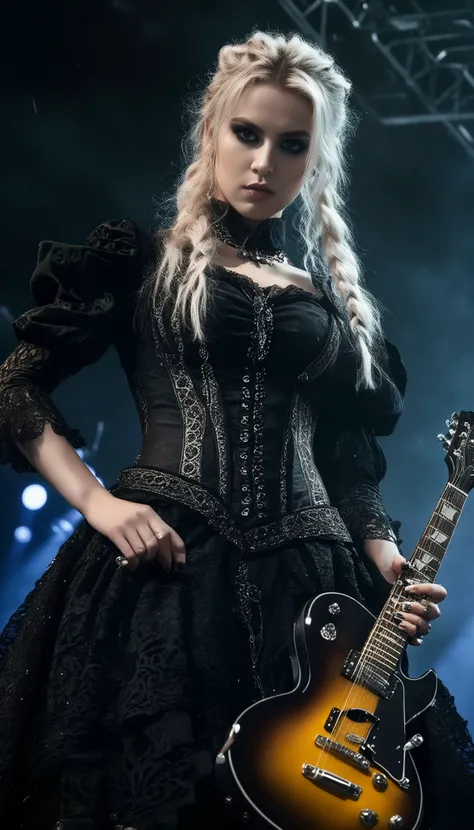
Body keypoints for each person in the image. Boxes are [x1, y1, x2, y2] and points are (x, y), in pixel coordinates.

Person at [0, 29, 472, 830]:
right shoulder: (142, 264)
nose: (264, 163)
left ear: (314, 162)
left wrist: (384, 553)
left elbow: (348, 461)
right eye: (246, 134)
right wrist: (99, 505)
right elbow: (17, 385)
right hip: (162, 574)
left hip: (318, 589)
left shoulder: (329, 309)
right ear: (210, 131)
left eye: (292, 145)